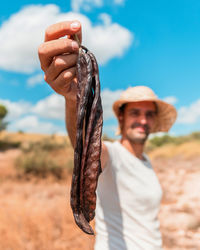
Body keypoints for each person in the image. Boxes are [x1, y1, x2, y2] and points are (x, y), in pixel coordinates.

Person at [38, 20, 177, 250]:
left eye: (148, 114)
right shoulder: (111, 156)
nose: (142, 120)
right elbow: (86, 145)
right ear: (121, 118)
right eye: (135, 113)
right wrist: (74, 99)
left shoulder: (146, 162)